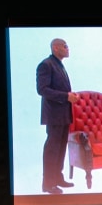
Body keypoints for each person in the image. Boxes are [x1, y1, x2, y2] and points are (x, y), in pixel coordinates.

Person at [36, 38, 80, 194]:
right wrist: (66, 96)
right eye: (65, 46)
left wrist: (69, 95)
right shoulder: (46, 65)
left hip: (63, 115)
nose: (68, 48)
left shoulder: (59, 65)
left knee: (61, 148)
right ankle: (47, 184)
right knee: (52, 149)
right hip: (54, 115)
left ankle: (58, 178)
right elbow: (42, 90)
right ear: (55, 48)